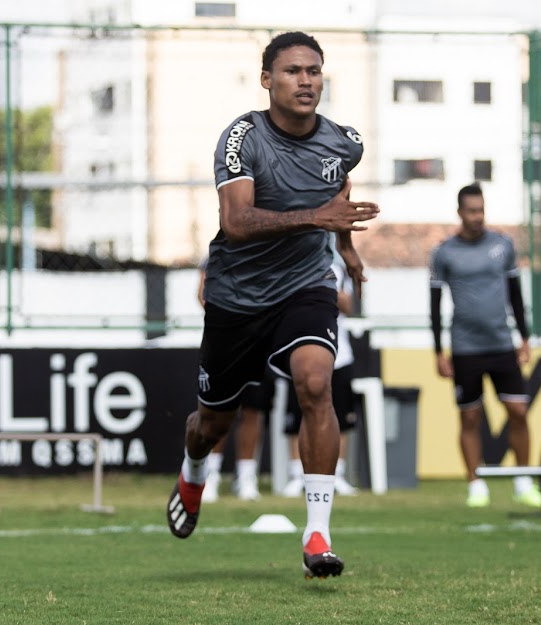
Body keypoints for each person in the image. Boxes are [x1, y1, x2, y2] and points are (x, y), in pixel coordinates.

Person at [166, 31, 379, 582]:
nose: (305, 81)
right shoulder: (242, 138)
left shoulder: (344, 141)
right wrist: (318, 220)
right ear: (267, 80)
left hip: (306, 285)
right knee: (211, 422)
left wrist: (347, 248)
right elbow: (236, 224)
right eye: (291, 71)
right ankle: (193, 472)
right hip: (237, 297)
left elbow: (337, 189)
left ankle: (318, 534)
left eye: (313, 70)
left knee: (315, 381)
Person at [428, 182, 541, 509]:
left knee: (518, 411)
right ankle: (475, 483)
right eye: (471, 211)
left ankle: (524, 480)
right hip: (464, 348)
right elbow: (434, 305)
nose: (478, 217)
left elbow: (516, 295)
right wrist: (439, 351)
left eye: (481, 210)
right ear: (460, 213)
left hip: (501, 345)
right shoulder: (444, 253)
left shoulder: (502, 246)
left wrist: (524, 337)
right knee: (469, 418)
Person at [282, 250, 360, 498]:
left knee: (340, 418)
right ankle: (297, 476)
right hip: (301, 354)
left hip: (340, 355)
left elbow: (349, 305)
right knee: (297, 417)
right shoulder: (291, 264)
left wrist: (323, 289)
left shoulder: (338, 266)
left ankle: (337, 474)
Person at [196, 258, 265, 503]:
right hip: (224, 344)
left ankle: (246, 477)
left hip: (257, 343)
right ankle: (210, 476)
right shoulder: (219, 252)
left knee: (252, 410)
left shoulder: (268, 251)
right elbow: (203, 294)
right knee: (219, 410)